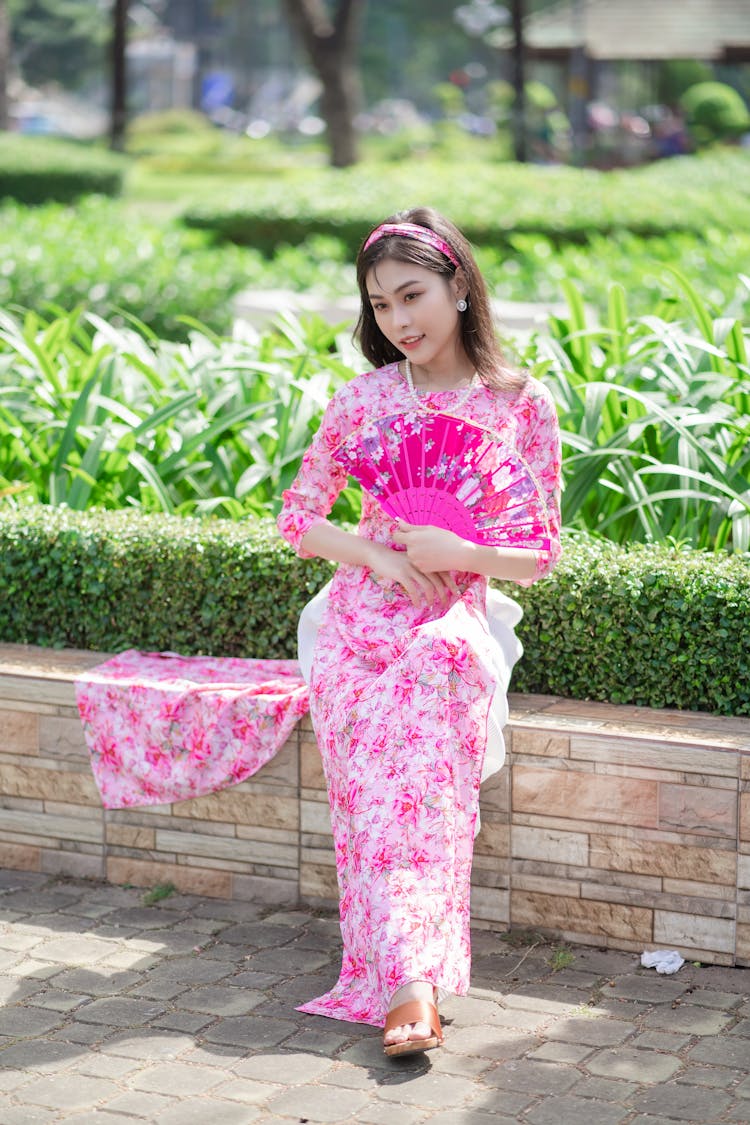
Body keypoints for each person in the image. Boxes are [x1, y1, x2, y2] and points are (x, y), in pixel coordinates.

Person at [277, 207, 562, 1057]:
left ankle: (409, 981)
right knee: (381, 774)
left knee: (426, 725)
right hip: (357, 625)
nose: (401, 320)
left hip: (449, 624)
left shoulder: (520, 405)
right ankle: (407, 979)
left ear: (460, 288)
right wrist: (380, 553)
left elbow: (537, 554)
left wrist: (457, 549)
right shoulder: (364, 402)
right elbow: (298, 518)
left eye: (413, 295)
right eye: (382, 304)